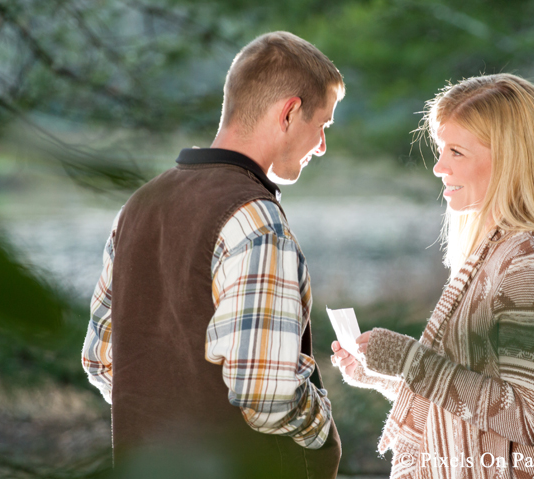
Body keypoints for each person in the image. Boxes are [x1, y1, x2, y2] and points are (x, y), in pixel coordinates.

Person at [82, 31, 344, 479]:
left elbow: (101, 360)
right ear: (289, 112)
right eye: (322, 125)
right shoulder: (258, 220)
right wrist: (322, 425)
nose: (321, 145)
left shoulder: (139, 204)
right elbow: (267, 398)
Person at [331, 73, 534, 479]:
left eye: (456, 152)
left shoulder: (530, 262)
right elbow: (472, 402)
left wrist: (409, 360)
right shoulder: (494, 254)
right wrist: (387, 372)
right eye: (441, 150)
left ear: (513, 159)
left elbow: (526, 416)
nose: (439, 167)